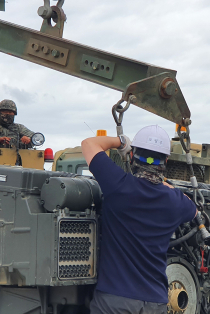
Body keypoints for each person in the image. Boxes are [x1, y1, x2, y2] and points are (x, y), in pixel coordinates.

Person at [81, 125, 197, 314]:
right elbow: (193, 208)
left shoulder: (117, 185)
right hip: (155, 303)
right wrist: (165, 184)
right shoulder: (176, 202)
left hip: (115, 300)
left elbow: (89, 144)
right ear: (165, 161)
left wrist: (121, 142)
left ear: (132, 156)